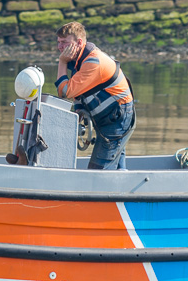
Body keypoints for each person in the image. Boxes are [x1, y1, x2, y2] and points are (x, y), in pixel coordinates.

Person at [54, 22, 135, 170]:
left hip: (117, 118)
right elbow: (78, 92)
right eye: (58, 42)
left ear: (79, 42)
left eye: (64, 43)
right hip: (108, 116)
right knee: (117, 165)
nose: (60, 47)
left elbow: (65, 92)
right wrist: (78, 110)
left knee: (98, 171)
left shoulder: (93, 61)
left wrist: (62, 62)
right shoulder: (79, 60)